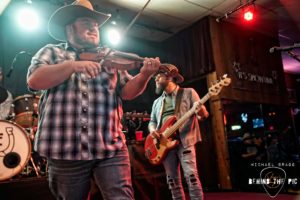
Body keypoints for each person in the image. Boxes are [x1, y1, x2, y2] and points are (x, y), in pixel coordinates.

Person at [26, 0, 160, 199]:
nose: (94, 27)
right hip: (65, 150)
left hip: (110, 146)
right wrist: (73, 66)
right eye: (86, 21)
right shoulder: (52, 52)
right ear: (69, 27)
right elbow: (35, 80)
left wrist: (145, 75)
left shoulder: (109, 56)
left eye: (96, 24)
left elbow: (127, 92)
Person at [148, 63, 209, 200]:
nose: (155, 80)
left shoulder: (188, 93)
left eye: (158, 76)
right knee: (172, 182)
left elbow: (202, 117)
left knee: (191, 177)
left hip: (185, 141)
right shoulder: (157, 102)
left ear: (169, 77)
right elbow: (152, 121)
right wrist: (152, 131)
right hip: (164, 143)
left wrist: (201, 110)